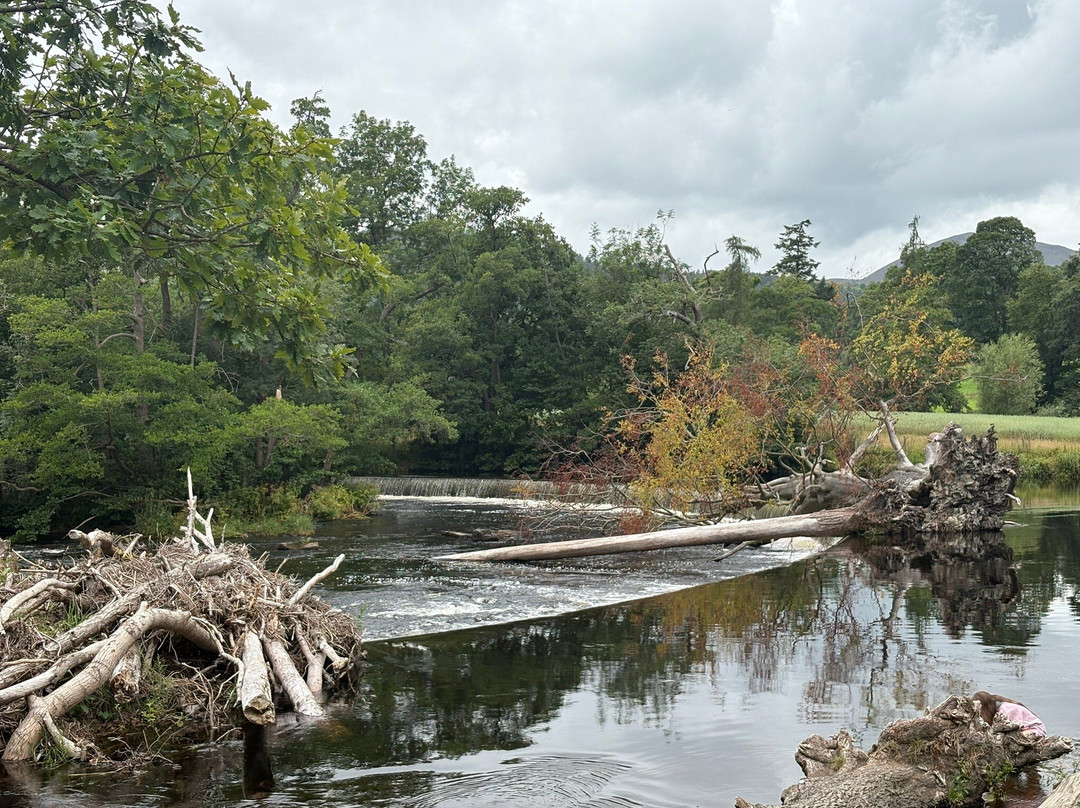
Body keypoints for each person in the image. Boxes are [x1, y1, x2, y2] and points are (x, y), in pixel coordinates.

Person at [972, 690, 1047, 737]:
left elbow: (1014, 727)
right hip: (1025, 729)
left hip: (1035, 729)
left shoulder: (1006, 710)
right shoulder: (998, 709)